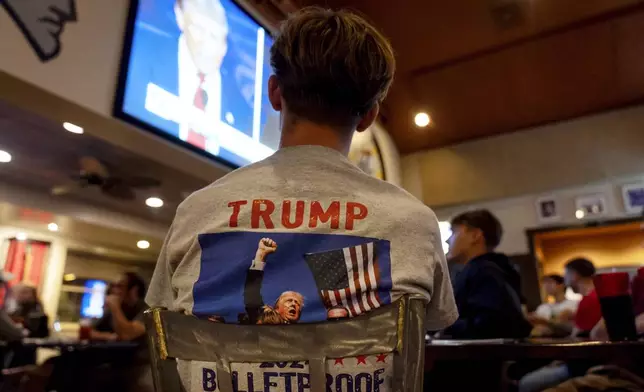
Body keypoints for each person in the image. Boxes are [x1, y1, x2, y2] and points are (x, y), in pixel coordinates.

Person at [147, 6, 458, 391]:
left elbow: (162, 319)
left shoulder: (197, 210)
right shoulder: (415, 220)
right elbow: (434, 322)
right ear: (369, 116)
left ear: (275, 93)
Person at [125, 0, 256, 153]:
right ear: (180, 18)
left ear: (225, 45)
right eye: (198, 29)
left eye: (214, 36)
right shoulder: (142, 55)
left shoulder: (242, 108)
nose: (206, 43)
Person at [441, 210, 532, 339]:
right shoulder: (495, 268)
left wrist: (443, 328)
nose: (447, 240)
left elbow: (491, 325)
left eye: (454, 232)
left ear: (475, 235)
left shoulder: (483, 271)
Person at [519, 258, 600, 392]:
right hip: (586, 360)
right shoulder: (594, 297)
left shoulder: (588, 300)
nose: (565, 279)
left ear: (574, 275)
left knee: (525, 384)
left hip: (583, 365)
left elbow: (577, 338)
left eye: (566, 274)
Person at [91, 273, 147, 342]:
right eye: (113, 286)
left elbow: (126, 335)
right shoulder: (118, 308)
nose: (114, 291)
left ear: (134, 290)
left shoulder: (145, 309)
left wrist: (115, 307)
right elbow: (91, 333)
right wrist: (110, 336)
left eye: (120, 286)